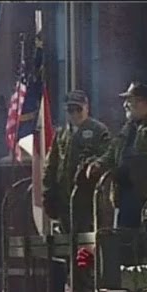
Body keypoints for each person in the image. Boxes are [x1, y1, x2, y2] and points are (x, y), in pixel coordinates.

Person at [42, 89, 113, 234]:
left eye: (78, 109)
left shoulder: (99, 131)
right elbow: (51, 165)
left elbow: (107, 157)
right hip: (64, 199)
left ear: (87, 108)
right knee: (67, 242)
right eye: (70, 110)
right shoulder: (61, 134)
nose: (74, 114)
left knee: (86, 244)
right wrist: (48, 194)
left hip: (88, 198)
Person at [91, 82, 147, 230]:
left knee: (140, 241)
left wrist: (131, 169)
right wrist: (99, 164)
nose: (125, 105)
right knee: (123, 237)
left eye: (130, 101)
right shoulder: (129, 128)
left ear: (144, 103)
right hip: (125, 193)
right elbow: (113, 151)